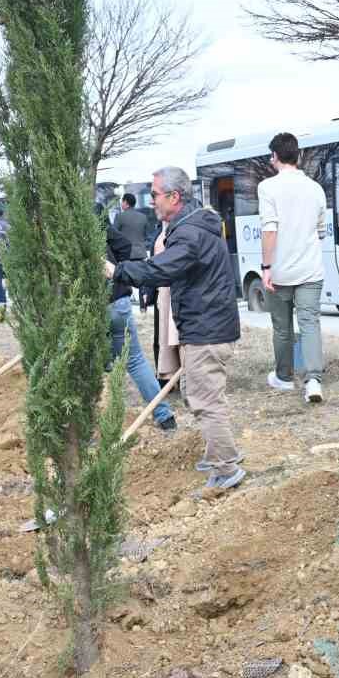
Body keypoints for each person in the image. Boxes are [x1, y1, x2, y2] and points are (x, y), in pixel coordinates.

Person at [108, 166, 245, 490]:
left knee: (204, 399)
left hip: (207, 328)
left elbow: (160, 270)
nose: (152, 201)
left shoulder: (189, 233)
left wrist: (117, 271)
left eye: (155, 194)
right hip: (207, 324)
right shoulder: (193, 223)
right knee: (204, 394)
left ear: (174, 196)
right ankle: (221, 454)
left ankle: (226, 469)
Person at [259, 131, 330, 403]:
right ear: (298, 156)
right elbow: (321, 231)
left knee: (282, 327)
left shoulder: (267, 187)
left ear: (275, 157)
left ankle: (285, 377)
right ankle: (313, 380)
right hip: (310, 269)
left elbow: (269, 230)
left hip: (280, 271)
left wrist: (266, 266)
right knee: (310, 323)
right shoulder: (316, 188)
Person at [104, 212, 176, 432]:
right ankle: (164, 416)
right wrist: (116, 265)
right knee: (135, 360)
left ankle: (92, 428)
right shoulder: (96, 223)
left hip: (89, 305)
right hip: (118, 300)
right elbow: (124, 244)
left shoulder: (56, 229)